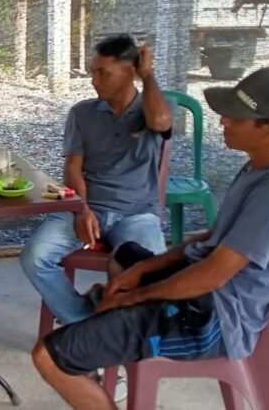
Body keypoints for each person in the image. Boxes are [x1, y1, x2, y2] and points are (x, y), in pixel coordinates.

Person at [31, 67, 269, 410]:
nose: (223, 121)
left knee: (49, 356)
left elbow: (213, 274)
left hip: (214, 319)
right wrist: (141, 271)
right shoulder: (259, 168)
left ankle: (116, 330)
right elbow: (213, 238)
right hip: (210, 294)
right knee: (125, 257)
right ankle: (113, 332)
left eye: (237, 118)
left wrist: (137, 296)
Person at [19, 34, 175, 326]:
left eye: (103, 72)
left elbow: (160, 122)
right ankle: (84, 323)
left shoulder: (154, 107)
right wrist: (82, 209)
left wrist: (148, 75)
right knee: (35, 256)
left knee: (153, 272)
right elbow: (73, 168)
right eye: (93, 72)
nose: (93, 81)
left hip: (137, 214)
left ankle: (116, 329)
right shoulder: (82, 113)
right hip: (87, 208)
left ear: (129, 72)